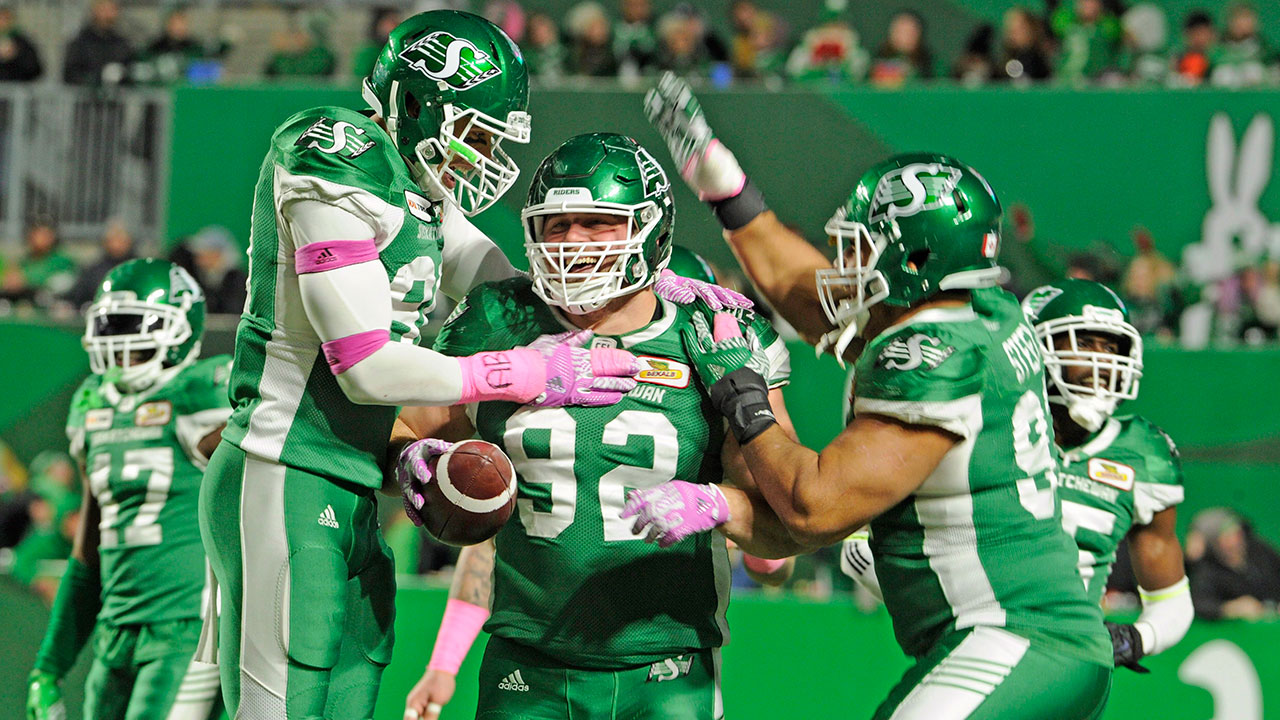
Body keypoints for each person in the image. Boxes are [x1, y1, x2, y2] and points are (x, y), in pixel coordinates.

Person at [197, 15, 737, 720]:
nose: (481, 155)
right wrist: (519, 374)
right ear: (415, 105)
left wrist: (647, 285)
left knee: (349, 694)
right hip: (284, 466)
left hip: (353, 481)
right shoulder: (336, 152)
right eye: (475, 132)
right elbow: (363, 365)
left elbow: (515, 285)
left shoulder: (416, 194)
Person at [636, 73, 1114, 718]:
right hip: (1021, 638)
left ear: (914, 262)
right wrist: (725, 188)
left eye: (864, 247)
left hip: (1017, 635)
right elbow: (796, 285)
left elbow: (814, 507)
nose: (846, 265)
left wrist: (744, 394)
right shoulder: (983, 312)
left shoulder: (930, 357)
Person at [396, 133, 794, 720]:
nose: (571, 243)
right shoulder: (499, 319)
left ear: (650, 232)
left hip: (665, 666)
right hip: (526, 660)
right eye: (556, 224)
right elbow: (409, 431)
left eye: (596, 222)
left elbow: (787, 520)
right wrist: (412, 458)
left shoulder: (711, 333)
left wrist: (720, 503)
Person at [27, 258, 228, 720]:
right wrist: (48, 668)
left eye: (131, 325)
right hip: (115, 630)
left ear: (178, 331)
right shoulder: (92, 406)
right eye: (109, 325)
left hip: (187, 628)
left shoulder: (203, 393)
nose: (118, 341)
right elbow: (87, 553)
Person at [1021, 278, 1190, 672]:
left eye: (1110, 347)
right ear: (1032, 347)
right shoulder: (988, 421)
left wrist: (1135, 638)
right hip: (976, 634)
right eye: (1083, 343)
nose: (1100, 364)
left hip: (1068, 659)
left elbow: (1171, 599)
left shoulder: (1142, 454)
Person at [62, 0, 133, 86]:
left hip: (118, 97)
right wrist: (99, 78)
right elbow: (70, 75)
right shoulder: (80, 43)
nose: (110, 16)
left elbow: (130, 70)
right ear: (95, 11)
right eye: (105, 10)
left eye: (113, 10)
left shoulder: (122, 44)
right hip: (86, 97)